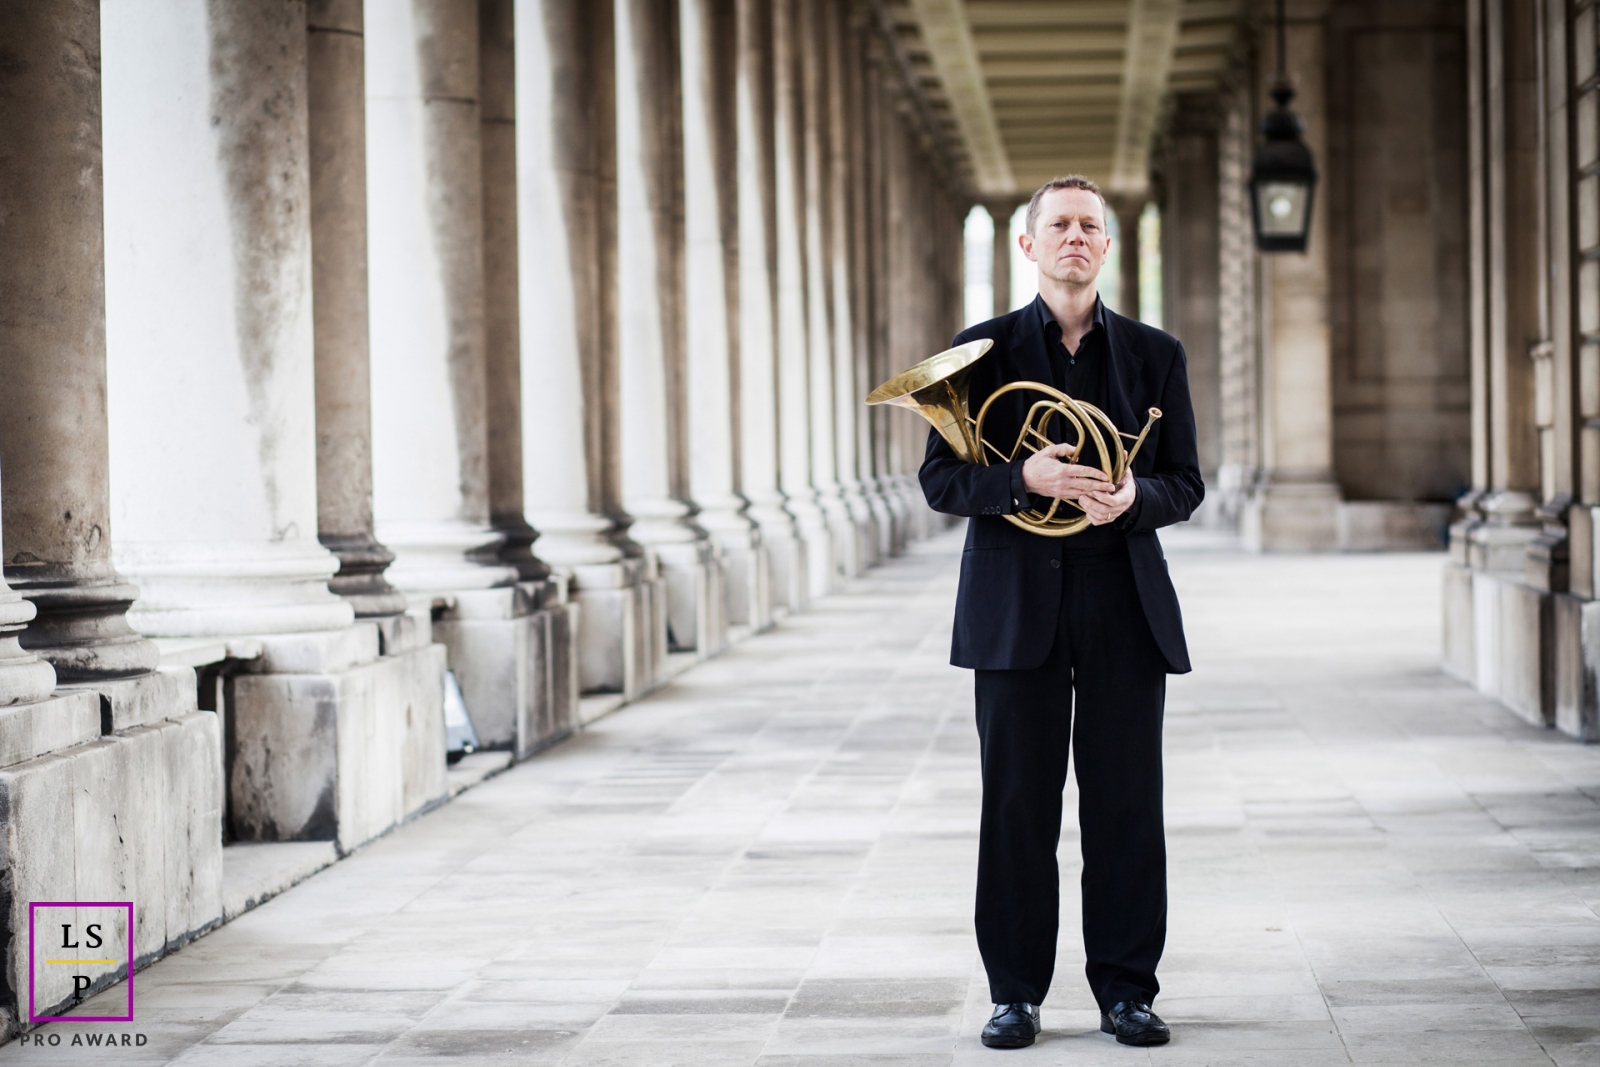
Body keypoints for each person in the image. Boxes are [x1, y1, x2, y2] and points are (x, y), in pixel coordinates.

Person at [919, 175, 1203, 1050]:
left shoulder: (1155, 354)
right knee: (1017, 805)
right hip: (1014, 602)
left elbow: (1185, 482)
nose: (1075, 238)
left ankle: (1127, 991)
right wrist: (1022, 480)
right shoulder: (981, 349)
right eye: (1060, 226)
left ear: (1107, 248)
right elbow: (940, 479)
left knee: (1125, 803)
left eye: (1090, 226)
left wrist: (1133, 499)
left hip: (1122, 593)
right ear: (1028, 245)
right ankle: (1014, 992)